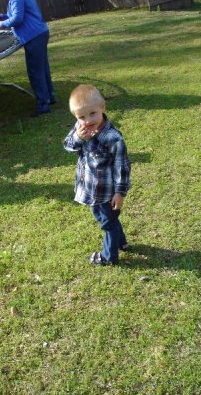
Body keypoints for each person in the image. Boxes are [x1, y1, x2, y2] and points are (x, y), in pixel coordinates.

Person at [63, 85, 131, 266]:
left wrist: (120, 192)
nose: (87, 120)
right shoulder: (80, 128)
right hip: (90, 188)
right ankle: (121, 242)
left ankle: (109, 257)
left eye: (92, 113)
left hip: (106, 192)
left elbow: (122, 166)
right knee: (108, 218)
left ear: (102, 107)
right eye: (81, 117)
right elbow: (68, 146)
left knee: (107, 223)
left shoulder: (113, 137)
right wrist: (78, 137)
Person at [0, 0, 55, 117]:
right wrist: (4, 17)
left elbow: (17, 19)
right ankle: (49, 97)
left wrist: (1, 24)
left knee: (35, 72)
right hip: (39, 32)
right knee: (43, 68)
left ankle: (43, 104)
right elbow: (19, 15)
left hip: (33, 36)